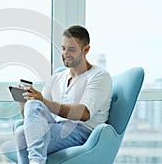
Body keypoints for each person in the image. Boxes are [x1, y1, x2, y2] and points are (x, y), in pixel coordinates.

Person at [14, 25, 112, 164]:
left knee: (23, 134)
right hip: (57, 126)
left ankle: (37, 161)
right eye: (63, 48)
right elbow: (32, 119)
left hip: (82, 132)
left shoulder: (99, 76)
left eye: (72, 49)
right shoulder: (56, 78)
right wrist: (24, 101)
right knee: (28, 116)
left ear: (86, 50)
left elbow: (84, 114)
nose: (66, 53)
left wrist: (43, 101)